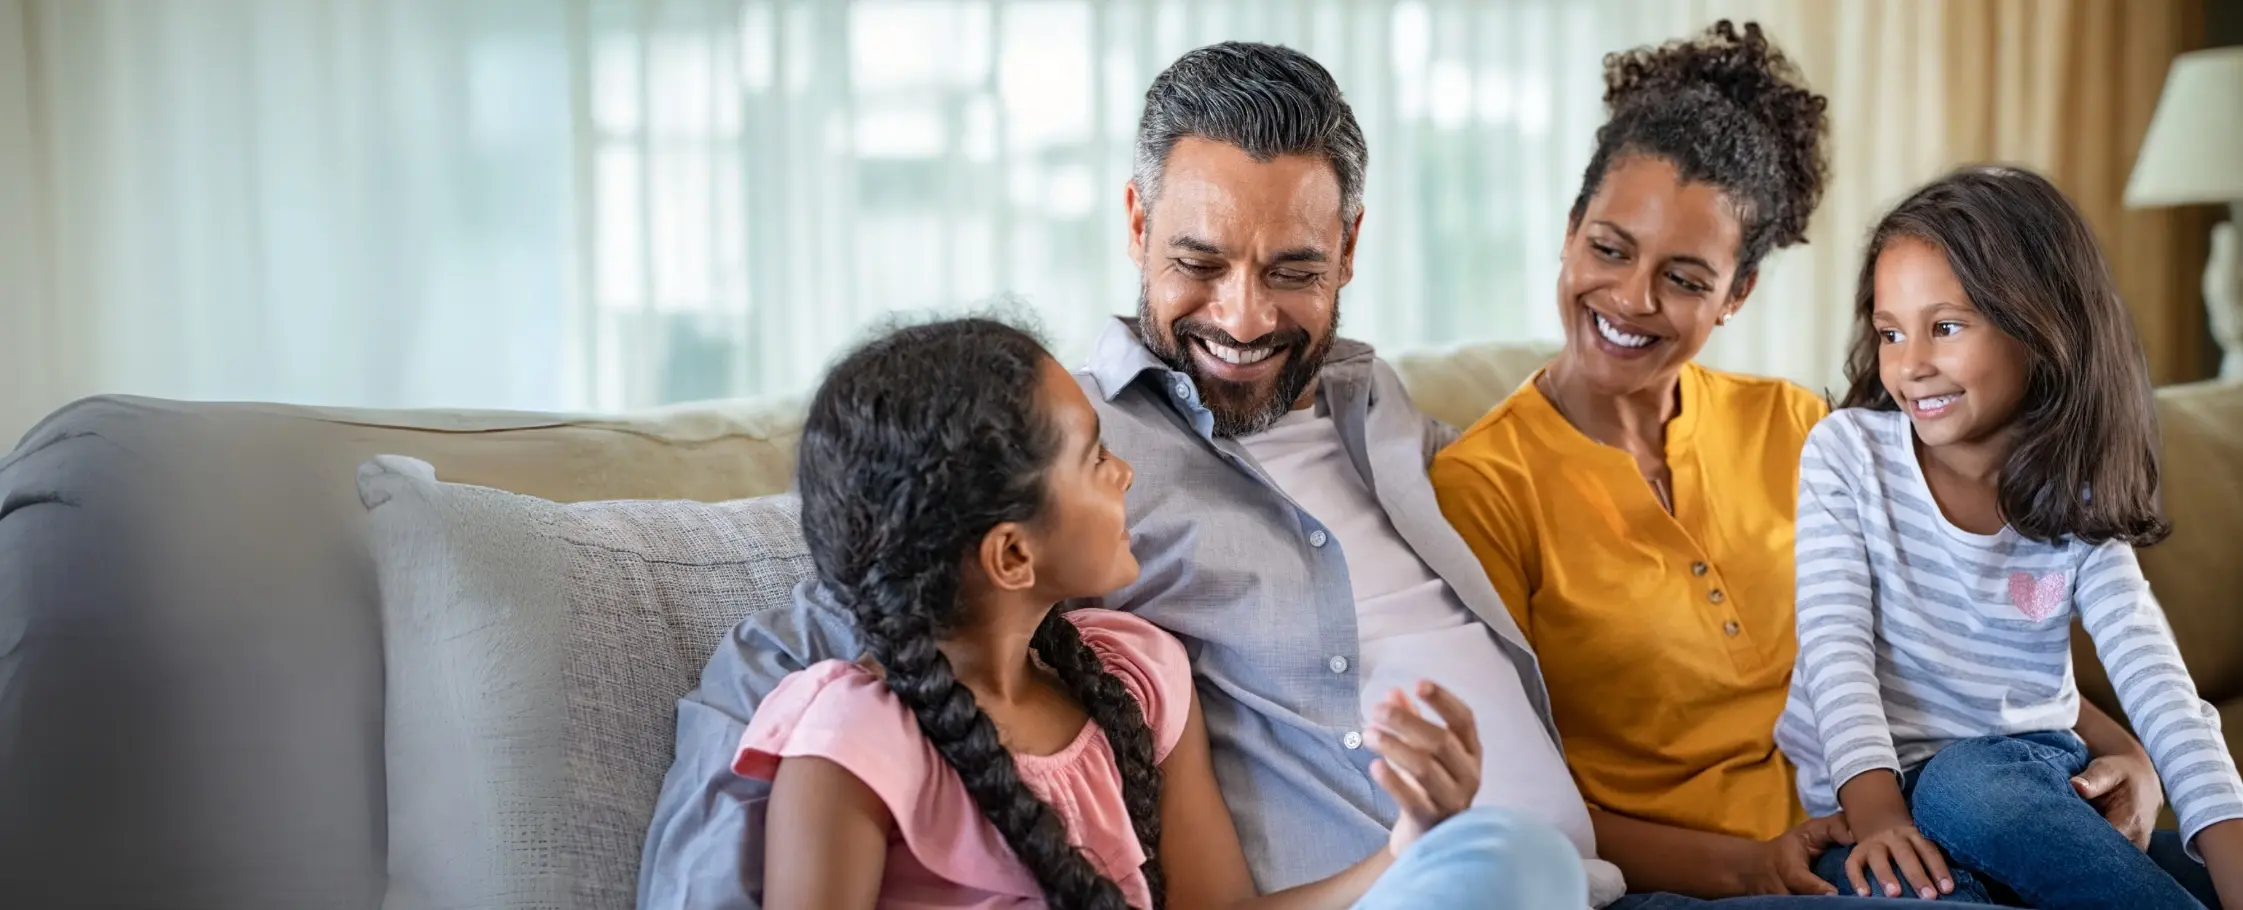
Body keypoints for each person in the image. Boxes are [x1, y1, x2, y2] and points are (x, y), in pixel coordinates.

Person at [638, 40, 1622, 910]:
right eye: (1198, 261)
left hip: (1603, 881)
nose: (1241, 319)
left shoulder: (1379, 404)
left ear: (1348, 248)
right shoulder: (1043, 458)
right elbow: (815, 636)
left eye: (1291, 270)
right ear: (1135, 222)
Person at [1429, 22, 2169, 908]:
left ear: (1736, 294)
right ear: (1568, 234)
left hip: (1910, 822)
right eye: (1609, 248)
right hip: (1708, 883)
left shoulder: (1799, 427)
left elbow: (1953, 638)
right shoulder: (1482, 489)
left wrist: (2120, 747)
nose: (1631, 298)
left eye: (1686, 277)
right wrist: (1749, 866)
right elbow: (1514, 799)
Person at [746, 315, 1581, 909]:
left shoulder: (1136, 674)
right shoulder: (855, 740)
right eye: (1097, 459)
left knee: (1510, 855)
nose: (1126, 477)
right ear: (1011, 554)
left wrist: (1408, 845)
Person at [1775, 165, 2243, 909]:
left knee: (1971, 783)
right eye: (1889, 332)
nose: (1910, 364)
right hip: (1876, 813)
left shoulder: (2074, 499)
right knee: (1931, 843)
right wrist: (1877, 816)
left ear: (2040, 324)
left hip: (2023, 787)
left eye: (1946, 326)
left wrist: (2228, 845)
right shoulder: (1847, 456)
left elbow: (2158, 685)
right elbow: (1836, 652)